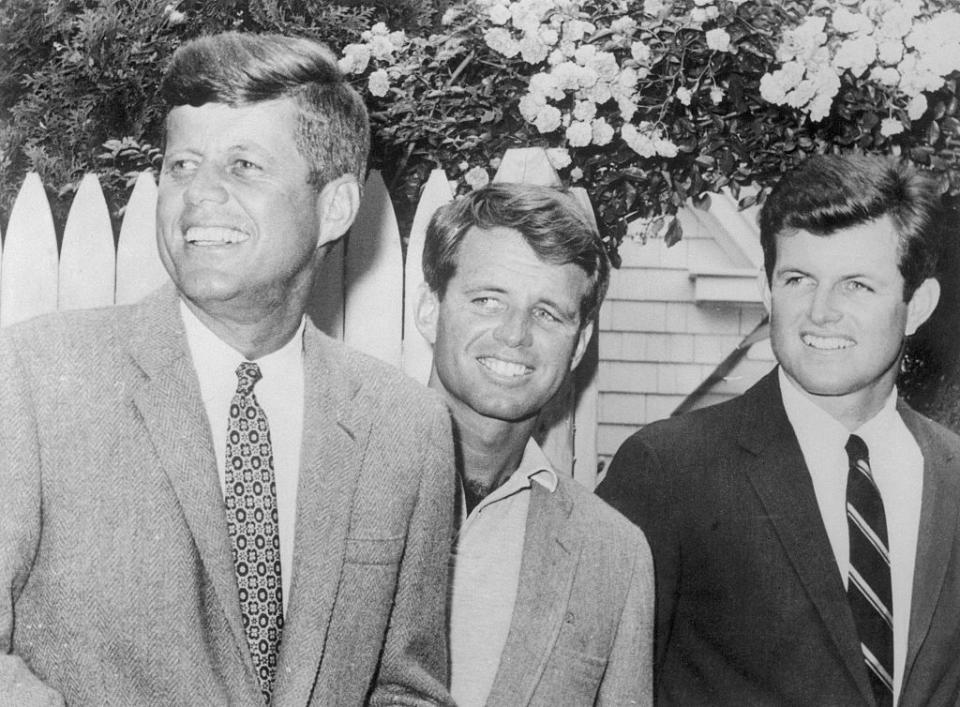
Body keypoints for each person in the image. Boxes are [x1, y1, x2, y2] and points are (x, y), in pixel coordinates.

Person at [0, 32, 455, 706]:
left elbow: (408, 685)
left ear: (334, 206)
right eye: (182, 164)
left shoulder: (405, 427)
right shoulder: (34, 379)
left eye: (243, 165)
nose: (199, 195)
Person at [597, 153, 960, 706]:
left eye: (857, 286)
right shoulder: (668, 470)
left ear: (918, 306)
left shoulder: (954, 479)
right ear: (767, 293)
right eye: (797, 279)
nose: (821, 311)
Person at [414, 182, 655, 706]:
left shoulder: (613, 553)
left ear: (580, 344)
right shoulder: (332, 484)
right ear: (430, 310)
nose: (515, 334)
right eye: (487, 300)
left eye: (547, 313)